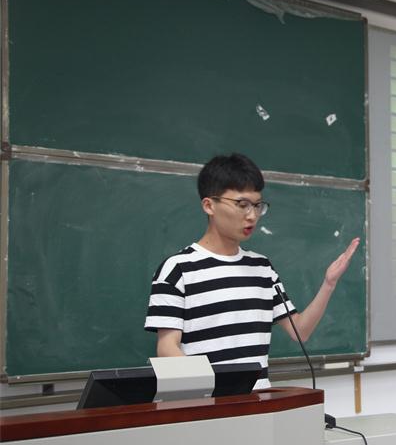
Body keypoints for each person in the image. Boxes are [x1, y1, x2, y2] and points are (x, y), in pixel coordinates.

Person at [144, 153, 359, 388]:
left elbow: (301, 331)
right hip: (207, 402)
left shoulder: (262, 268)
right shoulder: (177, 270)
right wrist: (215, 389)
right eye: (242, 205)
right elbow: (167, 349)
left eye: (257, 205)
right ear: (209, 205)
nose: (252, 215)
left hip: (259, 403)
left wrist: (329, 284)